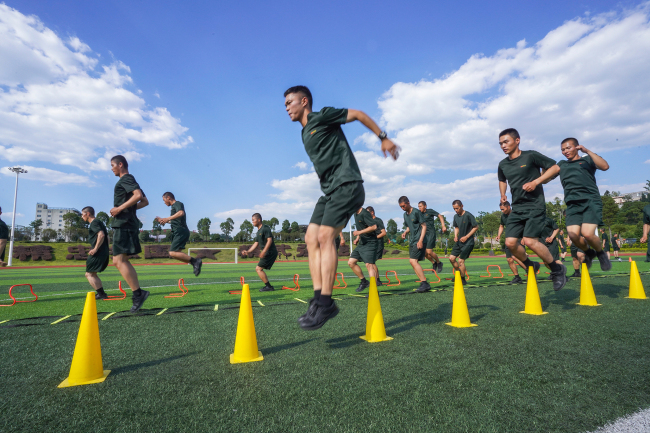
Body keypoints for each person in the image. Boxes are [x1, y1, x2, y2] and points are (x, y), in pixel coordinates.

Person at [284, 85, 400, 329]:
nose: (286, 108)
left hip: (348, 185)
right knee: (310, 238)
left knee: (326, 236)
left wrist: (383, 138)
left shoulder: (321, 116)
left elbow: (358, 114)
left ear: (304, 101)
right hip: (329, 192)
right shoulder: (304, 132)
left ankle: (326, 303)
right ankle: (318, 299)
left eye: (290, 103)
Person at [497, 128, 567, 291]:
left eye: (506, 142)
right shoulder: (503, 164)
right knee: (510, 242)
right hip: (517, 207)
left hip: (535, 205)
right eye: (500, 143)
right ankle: (531, 265)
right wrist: (502, 194)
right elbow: (502, 180)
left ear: (517, 140)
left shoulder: (531, 156)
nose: (503, 146)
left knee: (529, 241)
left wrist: (537, 182)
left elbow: (555, 168)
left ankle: (557, 270)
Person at [535, 138, 612, 272]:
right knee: (573, 234)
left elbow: (605, 166)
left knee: (587, 234)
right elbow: (545, 180)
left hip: (590, 201)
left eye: (568, 148)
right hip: (572, 204)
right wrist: (543, 168)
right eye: (563, 150)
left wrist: (587, 151)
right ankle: (589, 252)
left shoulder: (587, 160)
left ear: (577, 147)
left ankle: (600, 253)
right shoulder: (562, 164)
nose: (565, 151)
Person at [109, 155, 150, 313]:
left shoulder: (125, 179)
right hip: (128, 223)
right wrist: (128, 208)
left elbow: (138, 196)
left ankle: (138, 294)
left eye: (112, 165)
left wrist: (119, 209)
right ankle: (138, 294)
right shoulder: (129, 180)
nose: (111, 168)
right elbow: (145, 201)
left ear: (120, 165)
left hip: (124, 224)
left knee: (118, 261)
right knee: (121, 260)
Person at [155, 192, 202, 276]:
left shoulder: (177, 204)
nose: (164, 202)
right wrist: (164, 220)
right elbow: (175, 221)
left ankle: (195, 261)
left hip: (180, 231)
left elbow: (181, 213)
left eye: (164, 200)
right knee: (176, 254)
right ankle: (194, 263)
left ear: (168, 197)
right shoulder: (173, 207)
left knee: (172, 253)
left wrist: (167, 218)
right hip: (179, 231)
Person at [399, 196, 431, 292]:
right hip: (412, 241)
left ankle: (425, 283)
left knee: (413, 261)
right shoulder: (405, 215)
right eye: (400, 207)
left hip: (419, 240)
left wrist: (421, 240)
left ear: (408, 203)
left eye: (403, 206)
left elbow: (424, 226)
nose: (402, 208)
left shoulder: (416, 212)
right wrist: (405, 232)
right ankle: (423, 283)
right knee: (413, 262)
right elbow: (409, 227)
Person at [242, 213, 279, 292]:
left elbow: (270, 240)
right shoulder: (259, 231)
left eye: (253, 220)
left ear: (259, 220)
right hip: (268, 252)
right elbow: (256, 243)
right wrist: (248, 251)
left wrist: (264, 251)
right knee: (259, 269)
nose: (252, 222)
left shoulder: (265, 228)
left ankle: (269, 287)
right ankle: (269, 286)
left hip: (270, 252)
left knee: (258, 269)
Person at [80, 207, 110, 299]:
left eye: (82, 214)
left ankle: (101, 294)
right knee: (92, 274)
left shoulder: (94, 223)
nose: (82, 217)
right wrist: (106, 249)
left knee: (89, 274)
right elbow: (108, 237)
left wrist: (96, 249)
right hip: (103, 251)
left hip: (97, 252)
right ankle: (101, 294)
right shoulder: (99, 222)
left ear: (88, 214)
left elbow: (101, 235)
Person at [349, 207, 378, 292]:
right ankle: (364, 282)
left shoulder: (365, 213)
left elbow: (374, 227)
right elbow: (361, 227)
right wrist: (358, 237)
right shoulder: (355, 213)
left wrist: (359, 233)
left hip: (370, 243)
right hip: (362, 243)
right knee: (351, 262)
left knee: (369, 265)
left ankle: (373, 290)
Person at [497, 201, 527, 284]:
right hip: (509, 239)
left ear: (508, 207)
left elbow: (525, 225)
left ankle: (530, 272)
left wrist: (524, 237)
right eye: (501, 210)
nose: (502, 211)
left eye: (503, 209)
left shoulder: (517, 214)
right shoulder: (503, 216)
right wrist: (499, 235)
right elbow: (501, 225)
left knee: (518, 257)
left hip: (518, 238)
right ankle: (517, 277)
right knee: (509, 259)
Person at [449, 200, 478, 285]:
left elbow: (476, 227)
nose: (456, 210)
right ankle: (458, 273)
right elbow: (456, 227)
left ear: (462, 206)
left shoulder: (468, 215)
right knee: (451, 258)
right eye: (454, 209)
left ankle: (463, 279)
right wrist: (455, 236)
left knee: (461, 261)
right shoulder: (455, 216)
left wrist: (466, 237)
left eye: (457, 208)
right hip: (459, 242)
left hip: (468, 242)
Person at [418, 201, 447, 273]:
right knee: (424, 253)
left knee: (429, 251)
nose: (419, 208)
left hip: (431, 233)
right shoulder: (419, 214)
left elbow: (440, 216)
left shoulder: (430, 211)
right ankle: (434, 263)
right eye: (418, 206)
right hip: (424, 235)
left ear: (425, 206)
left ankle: (439, 263)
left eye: (421, 206)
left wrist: (443, 226)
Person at [366, 206, 387, 286]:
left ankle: (377, 280)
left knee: (371, 261)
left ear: (372, 212)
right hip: (371, 244)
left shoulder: (378, 220)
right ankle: (376, 280)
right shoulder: (368, 222)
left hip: (378, 243)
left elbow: (384, 233)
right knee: (370, 262)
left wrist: (374, 238)